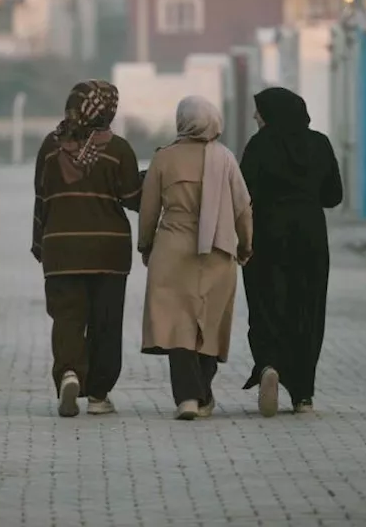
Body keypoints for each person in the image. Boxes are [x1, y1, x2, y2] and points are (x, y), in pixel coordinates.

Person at [138, 96, 253, 420]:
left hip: (172, 250)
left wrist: (146, 246)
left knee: (178, 327)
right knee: (210, 325)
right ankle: (202, 394)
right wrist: (245, 247)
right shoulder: (226, 159)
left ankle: (189, 397)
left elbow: (148, 211)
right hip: (218, 251)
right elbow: (243, 209)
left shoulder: (164, 159)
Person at [32, 80, 143, 418]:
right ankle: (98, 394)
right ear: (107, 111)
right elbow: (132, 199)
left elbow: (42, 199)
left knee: (67, 318)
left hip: (61, 251)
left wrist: (40, 244)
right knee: (105, 322)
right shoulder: (119, 150)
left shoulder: (50, 148)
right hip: (108, 254)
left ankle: (68, 373)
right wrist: (152, 179)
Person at [239, 87, 343, 417]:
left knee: (268, 302)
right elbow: (333, 196)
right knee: (307, 308)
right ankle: (303, 395)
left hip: (267, 233)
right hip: (310, 236)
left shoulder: (259, 145)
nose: (256, 117)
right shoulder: (320, 144)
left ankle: (269, 364)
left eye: (260, 111)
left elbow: (243, 192)